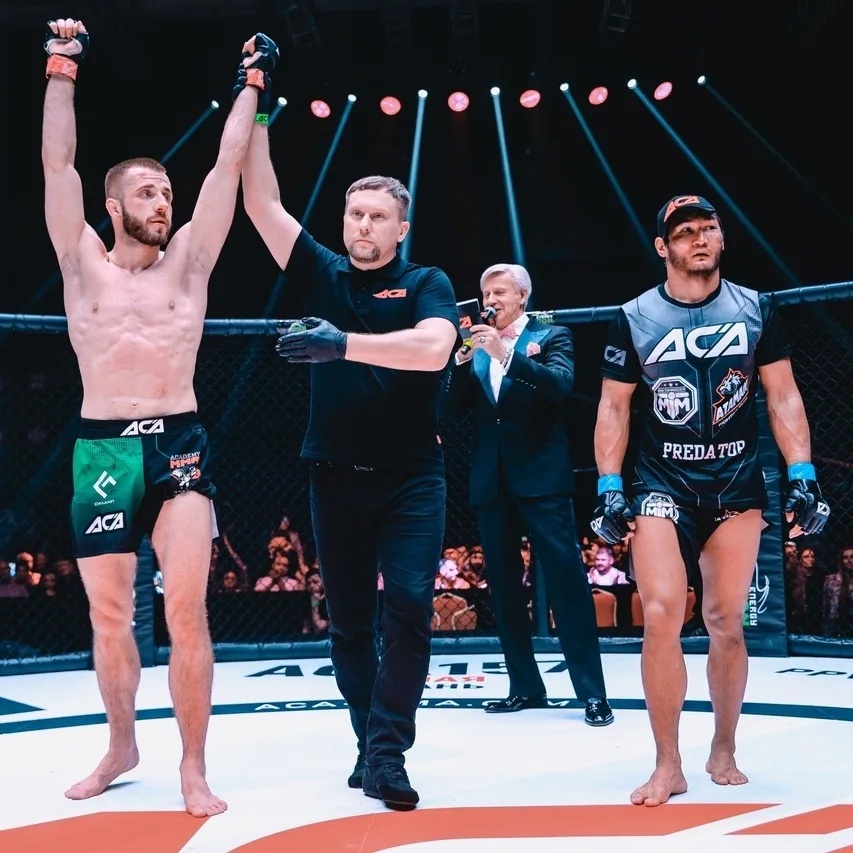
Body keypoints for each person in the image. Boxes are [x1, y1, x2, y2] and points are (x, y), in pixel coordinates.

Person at [42, 18, 279, 816]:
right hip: (103, 447)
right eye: (147, 191)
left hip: (179, 442)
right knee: (110, 614)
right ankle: (121, 744)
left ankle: (193, 766)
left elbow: (226, 166)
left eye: (166, 192)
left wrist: (252, 84)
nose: (162, 200)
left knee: (186, 609)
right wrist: (62, 67)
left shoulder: (190, 262)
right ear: (113, 205)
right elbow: (58, 163)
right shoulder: (81, 262)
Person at [241, 117, 458, 808]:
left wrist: (341, 345)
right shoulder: (322, 271)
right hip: (333, 475)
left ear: (401, 228)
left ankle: (387, 753)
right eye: (355, 213)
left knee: (411, 608)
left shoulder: (426, 281)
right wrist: (258, 110)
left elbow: (433, 348)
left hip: (411, 478)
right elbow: (261, 203)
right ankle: (370, 741)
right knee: (348, 626)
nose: (364, 225)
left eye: (378, 216)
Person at [591, 194, 830, 807]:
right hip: (660, 482)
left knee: (726, 621)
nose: (699, 239)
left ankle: (723, 747)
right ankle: (667, 763)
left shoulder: (755, 308)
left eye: (708, 228)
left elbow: (783, 394)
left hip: (736, 481)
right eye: (685, 232)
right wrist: (609, 485)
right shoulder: (635, 316)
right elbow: (614, 405)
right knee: (662, 614)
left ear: (722, 237)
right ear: (662, 247)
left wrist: (803, 474)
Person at [440, 263, 612, 726]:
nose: (490, 300)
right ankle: (524, 686)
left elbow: (559, 387)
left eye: (499, 292)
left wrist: (505, 355)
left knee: (566, 581)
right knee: (503, 586)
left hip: (542, 477)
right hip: (491, 480)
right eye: (485, 294)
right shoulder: (475, 346)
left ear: (522, 295)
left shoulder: (550, 335)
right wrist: (459, 363)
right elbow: (449, 411)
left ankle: (592, 694)